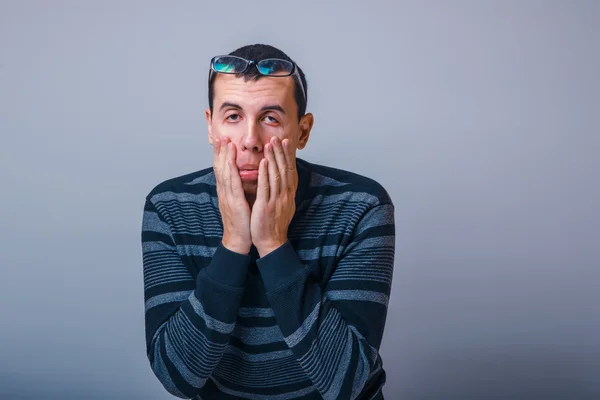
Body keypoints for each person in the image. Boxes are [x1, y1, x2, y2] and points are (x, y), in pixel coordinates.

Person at [141, 43, 396, 400]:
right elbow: (177, 376)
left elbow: (346, 381)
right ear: (210, 126)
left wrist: (274, 244)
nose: (250, 141)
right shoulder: (169, 207)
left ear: (303, 132)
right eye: (232, 116)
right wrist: (233, 243)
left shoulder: (361, 206)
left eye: (270, 118)